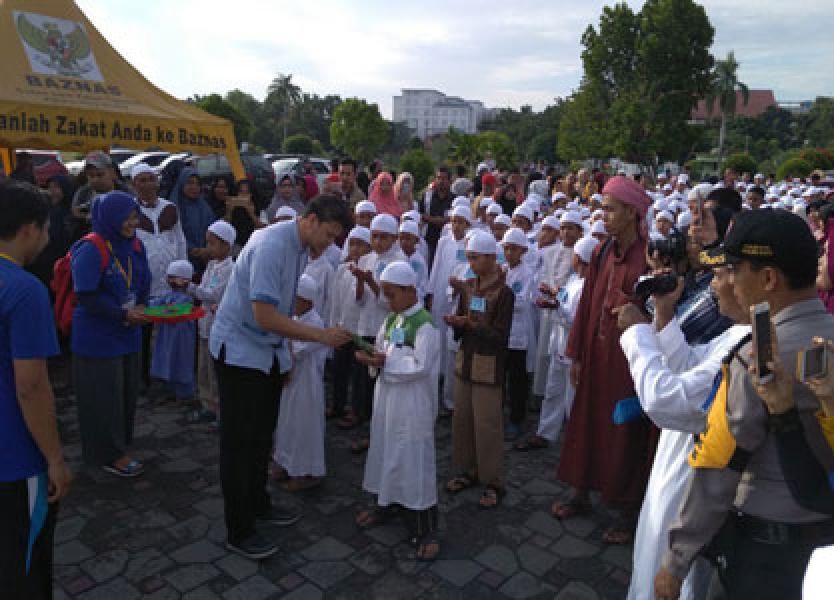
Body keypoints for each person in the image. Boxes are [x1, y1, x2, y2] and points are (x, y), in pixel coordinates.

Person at [655, 209, 834, 600]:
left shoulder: (758, 357)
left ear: (769, 278)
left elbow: (719, 467)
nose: (730, 281)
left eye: (736, 269)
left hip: (767, 554)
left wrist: (675, 561)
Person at [210, 194, 352, 560]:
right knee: (240, 446)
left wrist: (283, 358)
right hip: (241, 353)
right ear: (310, 219)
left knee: (261, 438)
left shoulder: (302, 248)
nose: (330, 244)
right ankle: (238, 530)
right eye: (329, 234)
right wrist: (321, 336)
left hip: (266, 354)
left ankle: (257, 504)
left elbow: (285, 307)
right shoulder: (272, 244)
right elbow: (265, 316)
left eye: (337, 238)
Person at [616, 250, 750, 600]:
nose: (714, 287)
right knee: (650, 551)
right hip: (677, 460)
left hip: (695, 477)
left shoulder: (749, 348)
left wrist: (636, 335)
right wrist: (663, 312)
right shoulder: (738, 333)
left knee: (670, 570)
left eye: (721, 276)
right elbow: (688, 365)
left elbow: (668, 400)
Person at [552, 175, 654, 546]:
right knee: (586, 420)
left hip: (629, 363)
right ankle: (581, 489)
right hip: (595, 356)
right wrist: (576, 352)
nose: (604, 215)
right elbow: (586, 307)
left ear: (631, 212)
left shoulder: (649, 257)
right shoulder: (601, 251)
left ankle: (627, 508)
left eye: (611, 209)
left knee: (625, 430)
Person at [0, 181, 72, 599]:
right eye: (46, 228)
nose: (48, 237)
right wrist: (55, 459)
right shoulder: (25, 290)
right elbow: (31, 386)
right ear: (30, 228)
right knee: (23, 564)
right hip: (16, 458)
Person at [355, 261, 441, 560]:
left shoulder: (425, 324)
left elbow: (420, 366)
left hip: (412, 404)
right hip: (388, 399)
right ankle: (386, 504)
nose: (387, 301)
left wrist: (383, 363)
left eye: (391, 294)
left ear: (410, 290)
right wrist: (371, 357)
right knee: (386, 450)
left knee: (413, 460)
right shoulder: (393, 319)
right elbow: (382, 348)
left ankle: (425, 528)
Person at [71, 191, 151, 477]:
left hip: (128, 332)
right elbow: (86, 294)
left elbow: (144, 281)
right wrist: (122, 313)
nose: (132, 223)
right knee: (103, 397)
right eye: (126, 218)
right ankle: (107, 454)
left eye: (134, 217)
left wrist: (142, 304)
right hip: (98, 336)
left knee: (126, 394)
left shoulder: (134, 245)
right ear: (110, 218)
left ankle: (119, 445)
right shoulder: (91, 247)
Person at [444, 230, 514, 509]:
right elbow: (465, 319)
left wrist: (470, 325)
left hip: (488, 366)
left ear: (490, 257)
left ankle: (494, 481)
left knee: (487, 425)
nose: (471, 263)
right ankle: (469, 471)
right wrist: (457, 323)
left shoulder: (504, 293)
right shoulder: (469, 285)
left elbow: (501, 336)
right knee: (463, 420)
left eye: (475, 258)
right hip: (466, 361)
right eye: (469, 258)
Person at [518, 235, 597, 451]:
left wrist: (555, 307)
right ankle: (545, 432)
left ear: (579, 258)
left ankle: (576, 442)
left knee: (573, 397)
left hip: (574, 349)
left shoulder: (588, 287)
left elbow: (576, 319)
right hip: (559, 344)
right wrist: (554, 295)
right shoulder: (574, 281)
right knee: (553, 392)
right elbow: (565, 299)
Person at [349, 214, 406, 453]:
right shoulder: (367, 259)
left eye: (384, 237)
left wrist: (371, 283)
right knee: (363, 379)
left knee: (380, 382)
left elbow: (391, 302)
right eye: (375, 236)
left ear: (394, 238)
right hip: (366, 325)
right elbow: (359, 300)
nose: (379, 242)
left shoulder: (399, 262)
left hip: (387, 328)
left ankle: (381, 433)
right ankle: (364, 422)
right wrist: (362, 282)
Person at [272, 274, 329, 492]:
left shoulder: (315, 323)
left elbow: (297, 351)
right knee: (287, 424)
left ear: (308, 301)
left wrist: (281, 339)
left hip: (306, 385)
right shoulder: (294, 318)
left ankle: (305, 472)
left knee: (303, 428)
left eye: (295, 298)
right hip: (290, 382)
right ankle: (285, 464)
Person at [186, 220, 235, 426]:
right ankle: (207, 405)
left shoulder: (228, 268)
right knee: (203, 370)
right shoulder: (212, 265)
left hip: (217, 327)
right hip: (204, 324)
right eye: (208, 243)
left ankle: (220, 411)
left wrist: (188, 287)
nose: (208, 248)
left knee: (216, 373)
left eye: (213, 244)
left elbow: (213, 294)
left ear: (227, 245)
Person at [427, 207, 472, 413]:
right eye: (453, 221)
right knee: (439, 332)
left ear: (468, 224)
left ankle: (450, 378)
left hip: (458, 296)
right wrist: (430, 291)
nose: (456, 225)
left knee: (452, 338)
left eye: (461, 222)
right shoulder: (444, 241)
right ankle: (439, 373)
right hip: (441, 292)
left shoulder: (470, 245)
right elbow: (436, 266)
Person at [328, 226, 372, 422]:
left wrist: (362, 280)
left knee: (359, 373)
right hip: (343, 326)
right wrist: (333, 324)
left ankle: (356, 411)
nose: (355, 249)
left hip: (360, 330)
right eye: (352, 244)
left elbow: (362, 300)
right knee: (340, 370)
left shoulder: (368, 272)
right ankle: (337, 405)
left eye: (360, 245)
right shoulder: (342, 269)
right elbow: (335, 301)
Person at [500, 228, 536, 441]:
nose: (509, 253)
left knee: (517, 380)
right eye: (506, 248)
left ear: (522, 250)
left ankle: (517, 419)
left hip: (518, 334)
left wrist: (503, 299)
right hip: (502, 331)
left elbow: (522, 302)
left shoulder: (527, 273)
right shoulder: (502, 270)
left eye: (513, 249)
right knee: (500, 377)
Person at [149, 260, 197, 405]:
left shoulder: (187, 299)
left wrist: (152, 311)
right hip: (167, 335)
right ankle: (170, 388)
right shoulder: (168, 295)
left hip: (182, 337)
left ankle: (185, 393)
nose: (169, 280)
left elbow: (174, 312)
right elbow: (155, 303)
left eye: (173, 277)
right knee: (168, 359)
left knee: (181, 361)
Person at [27, 175, 74, 290]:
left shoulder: (74, 213)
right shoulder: (47, 212)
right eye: (50, 187)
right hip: (47, 266)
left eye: (56, 187)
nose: (52, 191)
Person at [168, 167, 216, 274]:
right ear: (181, 184)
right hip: (181, 262)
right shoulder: (172, 208)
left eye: (197, 184)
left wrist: (207, 250)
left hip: (206, 262)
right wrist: (192, 249)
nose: (194, 187)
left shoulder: (204, 207)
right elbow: (171, 235)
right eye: (189, 183)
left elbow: (213, 230)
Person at [423, 167, 453, 268]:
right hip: (429, 240)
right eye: (438, 178)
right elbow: (421, 216)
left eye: (444, 178)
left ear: (450, 181)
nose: (441, 181)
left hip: (449, 242)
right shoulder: (427, 197)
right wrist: (440, 220)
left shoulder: (454, 199)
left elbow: (452, 220)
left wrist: (431, 219)